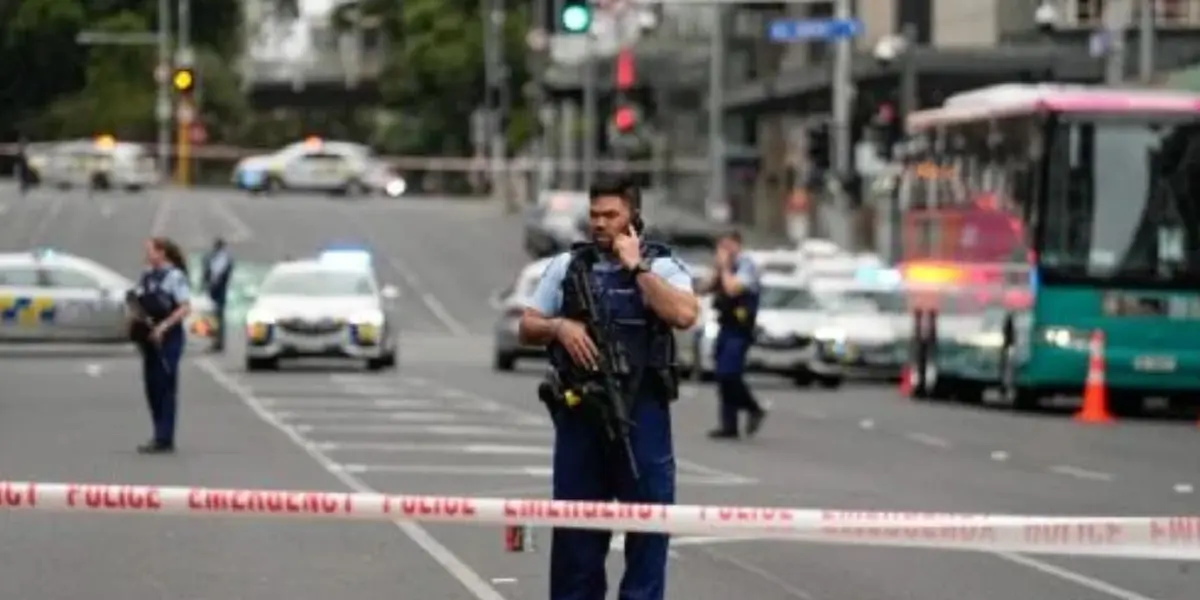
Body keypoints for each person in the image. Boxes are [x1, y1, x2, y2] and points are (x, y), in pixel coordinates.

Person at [518, 177, 699, 600]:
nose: (600, 224)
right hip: (582, 415)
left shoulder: (663, 266)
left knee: (649, 532)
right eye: (595, 215)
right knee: (576, 540)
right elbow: (527, 324)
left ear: (633, 216)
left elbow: (685, 314)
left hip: (643, 412)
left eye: (611, 215)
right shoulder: (567, 267)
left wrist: (637, 268)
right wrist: (559, 326)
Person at [127, 237, 192, 454]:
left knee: (165, 385)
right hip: (149, 334)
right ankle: (157, 432)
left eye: (151, 251)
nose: (147, 255)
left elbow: (184, 308)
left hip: (168, 335)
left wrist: (163, 327)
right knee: (152, 385)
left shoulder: (174, 276)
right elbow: (139, 300)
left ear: (162, 253)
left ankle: (164, 437)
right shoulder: (146, 275)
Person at [702, 231, 767, 439]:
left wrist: (725, 267)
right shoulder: (723, 267)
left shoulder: (746, 265)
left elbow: (732, 288)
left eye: (728, 246)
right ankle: (729, 425)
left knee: (729, 373)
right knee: (722, 376)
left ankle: (753, 407)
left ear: (737, 245)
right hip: (725, 325)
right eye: (721, 246)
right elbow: (703, 289)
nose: (724, 251)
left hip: (740, 328)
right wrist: (716, 269)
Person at [201, 237, 235, 352]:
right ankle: (216, 340)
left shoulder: (223, 258)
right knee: (215, 316)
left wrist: (210, 283)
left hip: (219, 290)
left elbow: (220, 274)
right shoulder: (214, 258)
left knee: (218, 316)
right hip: (214, 290)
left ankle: (218, 342)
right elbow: (207, 272)